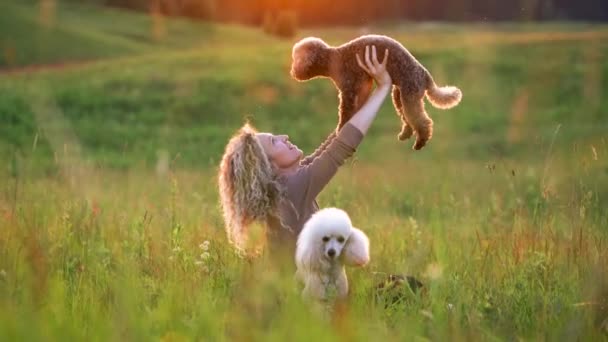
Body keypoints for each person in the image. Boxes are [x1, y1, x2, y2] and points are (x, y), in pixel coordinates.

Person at [218, 45, 392, 255]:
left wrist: (363, 89)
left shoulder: (286, 188)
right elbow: (343, 146)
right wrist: (383, 88)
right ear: (268, 165)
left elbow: (335, 141)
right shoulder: (291, 189)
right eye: (275, 142)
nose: (284, 137)